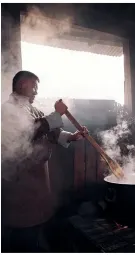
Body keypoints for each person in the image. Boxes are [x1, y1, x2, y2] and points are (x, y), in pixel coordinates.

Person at [1, 71, 88, 252]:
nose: (36, 92)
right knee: (24, 226)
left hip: (37, 179)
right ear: (23, 84)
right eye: (34, 87)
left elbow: (50, 132)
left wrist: (72, 136)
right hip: (20, 180)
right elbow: (29, 132)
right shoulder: (8, 110)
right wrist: (56, 114)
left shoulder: (32, 109)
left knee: (36, 224)